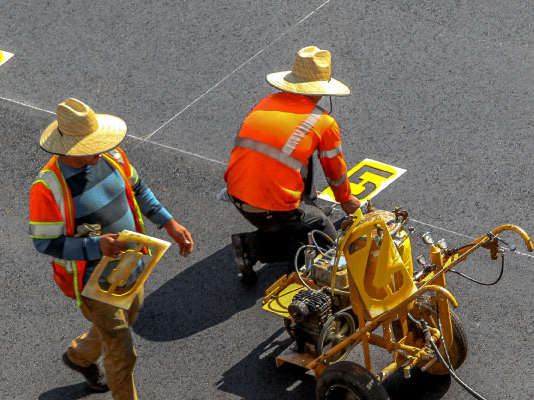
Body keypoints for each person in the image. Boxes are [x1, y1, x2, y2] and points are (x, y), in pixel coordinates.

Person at [29, 98, 194, 400]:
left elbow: (139, 189)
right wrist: (97, 245)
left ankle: (79, 357)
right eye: (90, 147)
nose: (98, 151)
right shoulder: (48, 188)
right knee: (123, 352)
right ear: (69, 149)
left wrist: (168, 222)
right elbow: (44, 243)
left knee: (129, 315)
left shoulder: (113, 155)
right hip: (94, 283)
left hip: (131, 265)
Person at [224, 46, 360, 283]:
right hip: (269, 209)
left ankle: (297, 214)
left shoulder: (267, 102)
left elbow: (280, 155)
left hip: (237, 194)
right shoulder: (322, 122)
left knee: (306, 205)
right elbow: (335, 173)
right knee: (319, 227)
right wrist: (346, 201)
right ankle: (252, 247)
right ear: (322, 89)